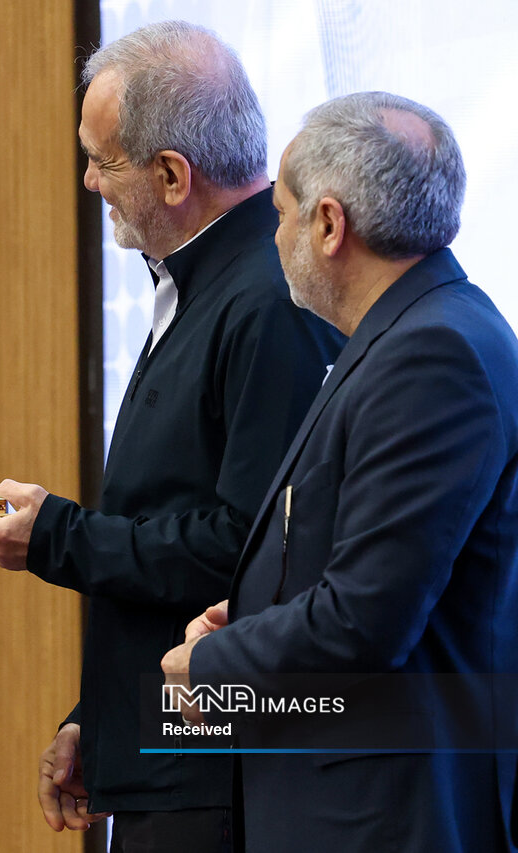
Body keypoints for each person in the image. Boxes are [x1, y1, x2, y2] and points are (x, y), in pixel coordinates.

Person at [0, 20, 344, 853]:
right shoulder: (205, 286)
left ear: (173, 174)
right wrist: (102, 720)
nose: (88, 181)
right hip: (172, 755)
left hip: (221, 776)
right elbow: (173, 521)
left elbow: (249, 553)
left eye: (101, 160)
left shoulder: (268, 301)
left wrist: (53, 534)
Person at [162, 92, 518, 852]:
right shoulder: (412, 332)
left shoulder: (433, 353)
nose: (275, 236)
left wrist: (213, 666)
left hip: (385, 817)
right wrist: (253, 610)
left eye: (280, 213)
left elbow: (367, 618)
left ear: (328, 224)